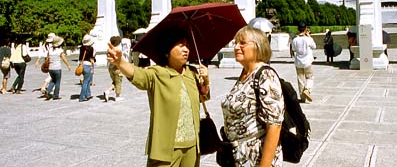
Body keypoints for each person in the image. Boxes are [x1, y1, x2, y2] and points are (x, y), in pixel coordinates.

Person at [107, 30, 210, 166]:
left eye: (187, 46)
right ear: (167, 50)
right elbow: (138, 75)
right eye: (180, 45)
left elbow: (203, 95)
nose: (186, 49)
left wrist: (206, 80)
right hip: (167, 147)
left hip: (192, 146)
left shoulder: (192, 72)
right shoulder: (157, 73)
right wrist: (120, 62)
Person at [221, 25, 284, 167]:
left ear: (258, 46)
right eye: (235, 43)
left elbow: (274, 126)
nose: (236, 47)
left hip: (256, 157)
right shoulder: (245, 74)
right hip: (238, 155)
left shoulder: (266, 75)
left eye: (242, 43)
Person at [291, 23, 316, 103]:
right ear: (305, 29)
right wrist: (309, 36)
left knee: (300, 79)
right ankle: (307, 89)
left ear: (298, 29)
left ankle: (302, 97)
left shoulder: (295, 39)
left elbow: (293, 49)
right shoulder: (308, 39)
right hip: (307, 62)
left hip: (298, 62)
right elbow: (314, 46)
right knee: (310, 77)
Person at [45, 36, 71, 100]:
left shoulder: (50, 50)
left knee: (53, 81)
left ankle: (48, 90)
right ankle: (56, 95)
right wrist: (68, 65)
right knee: (57, 82)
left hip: (51, 68)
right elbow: (64, 58)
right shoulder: (60, 50)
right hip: (57, 68)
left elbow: (47, 58)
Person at [104, 36, 124, 102]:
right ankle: (117, 96)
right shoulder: (117, 50)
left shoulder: (109, 49)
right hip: (117, 68)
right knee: (118, 82)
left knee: (115, 82)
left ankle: (108, 91)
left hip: (110, 68)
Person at [79, 34, 96, 102]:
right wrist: (92, 67)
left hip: (81, 64)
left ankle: (88, 94)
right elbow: (92, 59)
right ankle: (82, 96)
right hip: (88, 65)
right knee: (86, 82)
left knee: (87, 80)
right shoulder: (91, 49)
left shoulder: (81, 48)